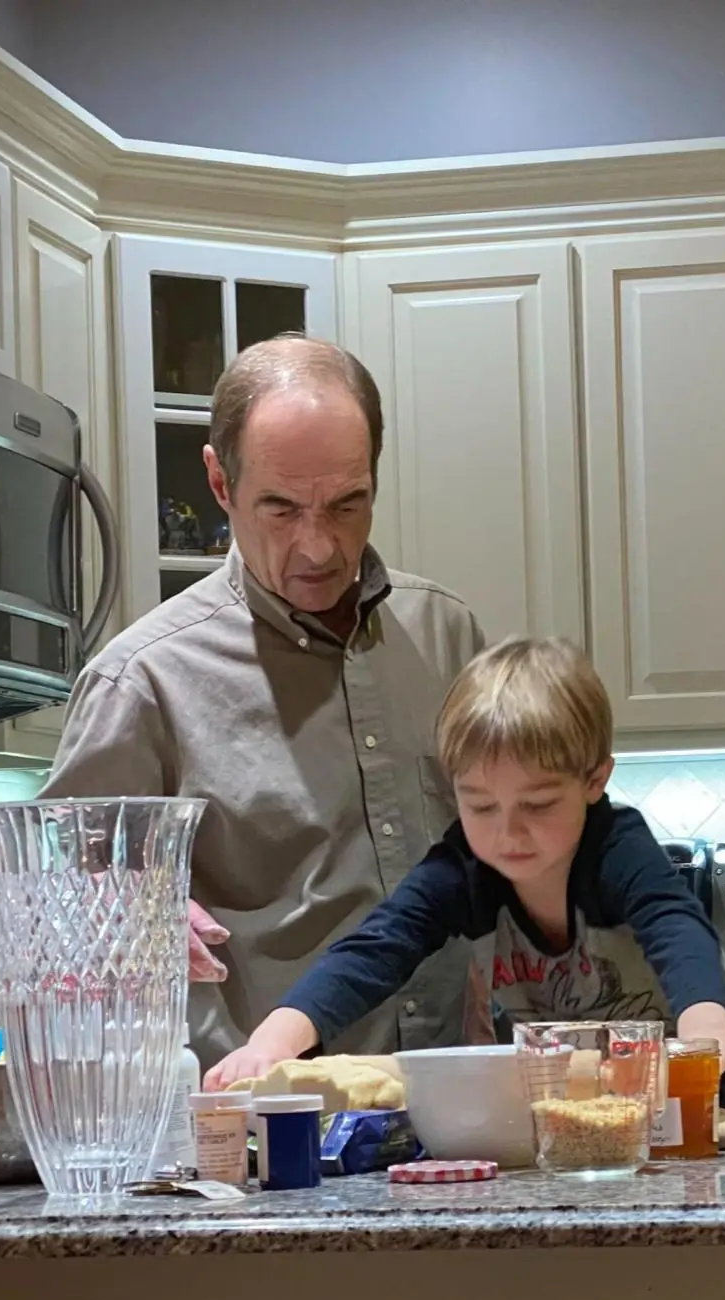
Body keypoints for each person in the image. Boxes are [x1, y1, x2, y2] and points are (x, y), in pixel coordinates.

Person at [41, 336, 487, 1066]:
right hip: (258, 1135)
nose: (318, 548)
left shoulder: (447, 636)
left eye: (349, 504)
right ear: (220, 483)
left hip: (458, 1112)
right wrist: (118, 917)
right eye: (280, 509)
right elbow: (57, 916)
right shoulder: (144, 682)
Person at [205, 637, 725, 1107]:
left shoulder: (618, 848)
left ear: (594, 779)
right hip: (564, 1082)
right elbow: (378, 947)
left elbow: (677, 931)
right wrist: (272, 1043)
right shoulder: (465, 867)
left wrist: (701, 1048)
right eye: (481, 806)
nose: (508, 833)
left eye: (537, 805)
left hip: (681, 1072)